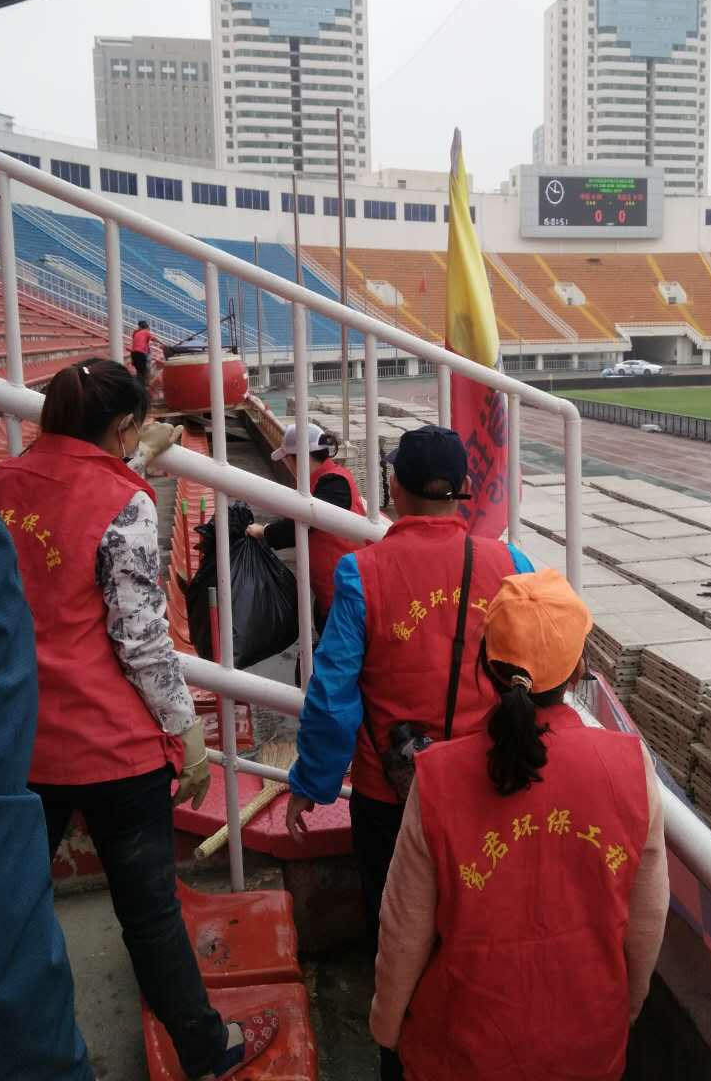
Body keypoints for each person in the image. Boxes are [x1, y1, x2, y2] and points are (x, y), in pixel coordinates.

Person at [0, 358, 278, 1081]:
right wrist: (188, 732)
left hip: (22, 742)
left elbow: (66, 512)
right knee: (150, 916)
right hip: (113, 749)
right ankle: (206, 1050)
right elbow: (141, 639)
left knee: (8, 906)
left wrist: (134, 459)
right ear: (122, 428)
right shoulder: (126, 502)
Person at [285, 423, 534, 1080]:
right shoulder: (512, 565)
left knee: (398, 936)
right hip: (487, 788)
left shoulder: (361, 573)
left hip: (391, 800)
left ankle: (402, 1058)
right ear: (465, 489)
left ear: (393, 489)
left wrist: (311, 783)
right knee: (478, 927)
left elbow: (332, 698)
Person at [370, 569, 670, 1081]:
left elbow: (404, 930)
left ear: (486, 667)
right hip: (589, 1045)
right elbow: (647, 919)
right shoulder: (630, 766)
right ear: (578, 670)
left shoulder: (437, 778)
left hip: (461, 1051)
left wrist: (387, 1026)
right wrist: (627, 1005)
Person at [0, 493, 93, 1080]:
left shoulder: (6, 484)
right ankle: (201, 1044)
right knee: (151, 909)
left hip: (47, 745)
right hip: (103, 742)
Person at [247, 422, 365, 633]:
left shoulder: (334, 483)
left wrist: (264, 532)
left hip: (348, 594)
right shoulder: (320, 481)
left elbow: (306, 522)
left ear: (299, 459)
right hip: (333, 588)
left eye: (289, 460)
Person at [130, 319, 153, 385]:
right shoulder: (142, 332)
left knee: (142, 368)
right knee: (144, 368)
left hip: (140, 351)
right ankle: (144, 383)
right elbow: (152, 338)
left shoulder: (137, 332)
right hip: (142, 351)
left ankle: (143, 382)